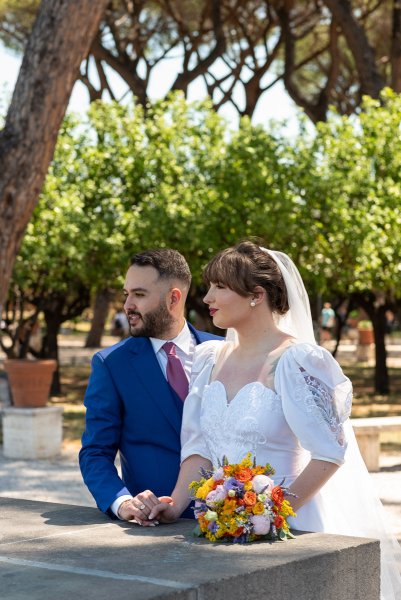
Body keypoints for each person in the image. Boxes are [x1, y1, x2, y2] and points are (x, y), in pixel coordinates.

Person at [146, 241, 401, 600]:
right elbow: (200, 447)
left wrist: (269, 515)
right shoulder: (207, 359)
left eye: (219, 286)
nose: (206, 298)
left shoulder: (297, 361)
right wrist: (176, 503)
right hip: (218, 530)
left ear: (256, 295)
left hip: (291, 530)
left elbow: (329, 453)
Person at [79, 248, 221, 522]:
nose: (127, 305)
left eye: (139, 295)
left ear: (173, 298)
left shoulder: (224, 351)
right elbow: (96, 452)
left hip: (232, 523)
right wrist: (122, 503)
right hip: (155, 524)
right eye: (126, 294)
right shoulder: (111, 364)